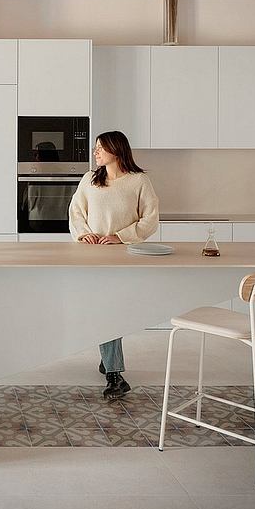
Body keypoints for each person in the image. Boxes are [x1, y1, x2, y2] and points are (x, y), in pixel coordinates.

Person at [68, 131, 159, 399]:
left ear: (116, 150)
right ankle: (109, 361)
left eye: (100, 148)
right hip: (92, 257)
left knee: (108, 311)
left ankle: (114, 375)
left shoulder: (138, 181)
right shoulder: (90, 179)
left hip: (123, 257)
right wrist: (84, 233)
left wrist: (120, 237)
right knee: (101, 311)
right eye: (95, 148)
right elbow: (76, 211)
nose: (95, 152)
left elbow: (150, 218)